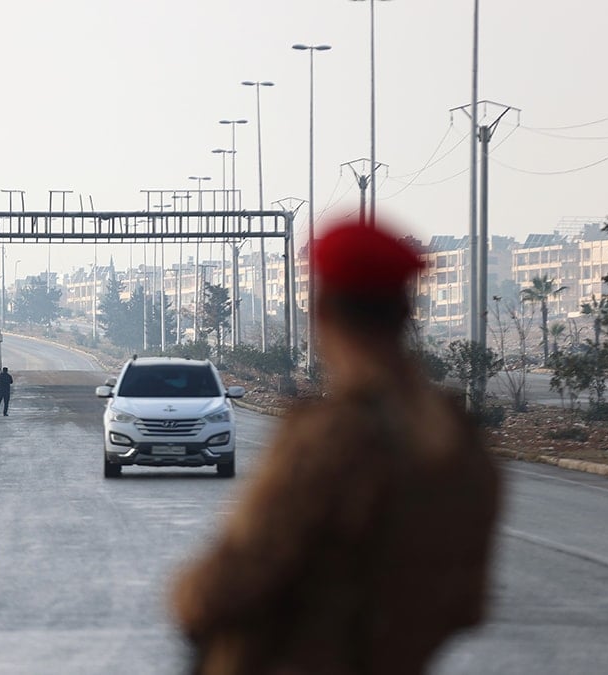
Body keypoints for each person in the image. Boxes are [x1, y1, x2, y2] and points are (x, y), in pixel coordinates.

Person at [170, 217, 502, 675]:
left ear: (323, 313)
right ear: (406, 313)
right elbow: (467, 605)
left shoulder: (331, 438)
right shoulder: (459, 446)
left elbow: (228, 582)